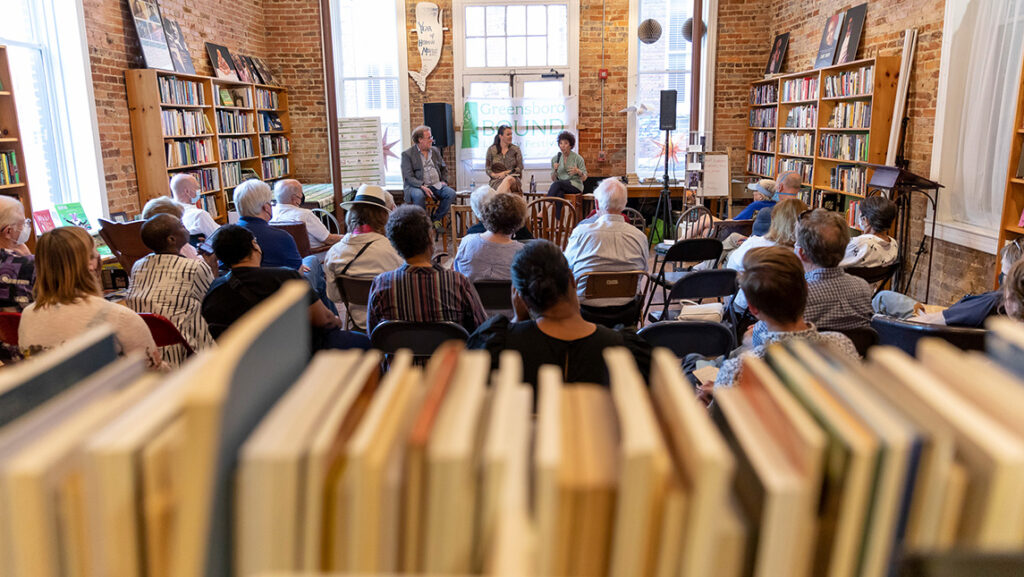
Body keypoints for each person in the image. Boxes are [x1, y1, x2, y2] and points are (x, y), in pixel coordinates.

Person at [467, 240, 652, 390]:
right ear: (572, 279)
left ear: (520, 297)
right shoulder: (623, 349)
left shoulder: (499, 346)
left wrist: (517, 322)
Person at [707, 246, 858, 393]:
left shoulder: (737, 370)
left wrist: (713, 397)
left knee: (693, 362)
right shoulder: (842, 345)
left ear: (753, 308)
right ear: (806, 288)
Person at [201, 224, 369, 351]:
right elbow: (323, 320)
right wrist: (337, 320)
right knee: (366, 343)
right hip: (299, 352)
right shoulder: (285, 278)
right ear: (254, 246)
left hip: (246, 366)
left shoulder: (213, 291)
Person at [19, 227, 165, 369]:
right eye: (96, 252)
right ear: (90, 264)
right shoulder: (119, 317)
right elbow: (154, 373)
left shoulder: (28, 315)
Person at [752, 207, 873, 346]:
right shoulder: (863, 287)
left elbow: (759, 339)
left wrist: (754, 331)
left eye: (796, 243)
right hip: (848, 362)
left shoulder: (793, 299)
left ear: (802, 253)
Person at [367, 205, 488, 333]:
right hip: (450, 352)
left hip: (399, 352)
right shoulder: (458, 282)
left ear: (394, 243)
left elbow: (373, 335)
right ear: (430, 237)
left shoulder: (381, 284)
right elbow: (481, 328)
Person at [124, 214, 215, 367]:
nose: (185, 227)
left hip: (149, 351)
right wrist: (212, 266)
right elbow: (213, 302)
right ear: (171, 239)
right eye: (180, 225)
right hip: (187, 353)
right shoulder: (194, 267)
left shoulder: (138, 265)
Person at [324, 184, 404, 330]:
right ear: (383, 216)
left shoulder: (334, 252)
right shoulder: (392, 251)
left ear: (351, 214)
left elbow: (334, 296)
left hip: (357, 326)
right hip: (390, 327)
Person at [563, 178, 649, 308]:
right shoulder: (639, 236)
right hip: (627, 308)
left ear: (596, 204)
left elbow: (566, 268)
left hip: (585, 309)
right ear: (624, 204)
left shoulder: (580, 233)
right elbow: (643, 271)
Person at [873, 256, 1024, 328]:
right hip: (946, 316)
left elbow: (928, 323)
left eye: (1003, 273)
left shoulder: (991, 303)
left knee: (883, 298)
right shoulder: (1008, 323)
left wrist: (890, 326)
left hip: (932, 324)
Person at [727, 197, 808, 311]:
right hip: (787, 309)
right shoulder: (805, 252)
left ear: (775, 219)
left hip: (748, 307)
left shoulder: (754, 245)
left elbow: (730, 272)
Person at [454, 189, 527, 281]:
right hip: (507, 295)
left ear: (486, 214)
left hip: (471, 294)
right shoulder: (524, 254)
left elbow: (457, 274)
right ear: (519, 222)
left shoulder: (467, 242)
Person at [234, 179, 302, 269]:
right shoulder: (282, 237)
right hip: (279, 282)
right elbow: (298, 273)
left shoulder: (224, 236)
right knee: (311, 261)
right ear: (266, 207)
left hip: (237, 282)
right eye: (271, 203)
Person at [401, 125, 456, 232]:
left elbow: (443, 168)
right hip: (416, 186)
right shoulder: (407, 154)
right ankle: (423, 224)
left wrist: (444, 181)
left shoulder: (435, 151)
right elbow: (408, 176)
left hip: (436, 184)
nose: (432, 140)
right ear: (420, 140)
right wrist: (422, 186)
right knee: (419, 195)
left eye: (431, 137)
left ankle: (435, 219)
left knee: (451, 193)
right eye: (429, 138)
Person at [271, 179, 342, 251]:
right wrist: (349, 237)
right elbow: (329, 240)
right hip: (316, 256)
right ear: (294, 198)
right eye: (301, 193)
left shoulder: (270, 214)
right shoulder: (305, 215)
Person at [141, 196, 206, 262]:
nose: (184, 227)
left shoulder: (144, 255)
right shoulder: (180, 246)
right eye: (180, 223)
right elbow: (202, 268)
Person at [841, 195, 899, 268]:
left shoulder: (860, 244)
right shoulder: (894, 244)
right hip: (872, 279)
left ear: (865, 220)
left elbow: (830, 263)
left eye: (860, 215)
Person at [464, 181, 533, 241]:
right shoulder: (515, 226)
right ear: (497, 204)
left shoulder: (472, 233)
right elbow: (531, 243)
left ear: (475, 211)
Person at [0, 196, 34, 311]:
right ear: (8, 231)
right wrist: (29, 258)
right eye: (23, 223)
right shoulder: (29, 266)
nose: (26, 227)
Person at [170, 173, 219, 238]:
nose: (199, 191)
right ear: (187, 191)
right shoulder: (199, 215)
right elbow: (220, 237)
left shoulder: (168, 214)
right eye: (197, 188)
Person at [547, 131, 587, 208]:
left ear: (570, 145)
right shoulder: (555, 159)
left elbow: (584, 178)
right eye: (561, 143)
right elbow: (553, 179)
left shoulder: (578, 158)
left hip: (575, 185)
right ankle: (558, 220)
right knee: (559, 193)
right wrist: (555, 170)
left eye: (565, 143)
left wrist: (578, 171)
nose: (562, 146)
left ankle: (544, 209)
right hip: (561, 185)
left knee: (557, 184)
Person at [485, 125, 523, 191]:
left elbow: (520, 167)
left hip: (513, 179)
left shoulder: (516, 149)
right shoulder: (491, 150)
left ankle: (496, 198)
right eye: (508, 134)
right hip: (497, 180)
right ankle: (503, 200)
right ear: (501, 136)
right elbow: (488, 168)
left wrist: (506, 173)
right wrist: (494, 175)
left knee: (508, 180)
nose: (511, 136)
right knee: (506, 189)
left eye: (511, 134)